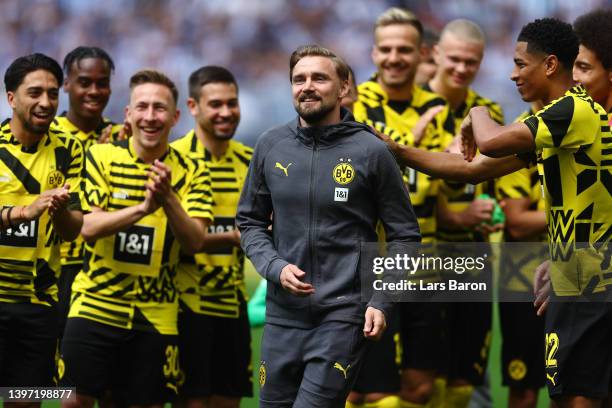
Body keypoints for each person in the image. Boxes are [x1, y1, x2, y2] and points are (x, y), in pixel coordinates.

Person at [380, 17, 610, 407]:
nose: (513, 74)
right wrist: (398, 151)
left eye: (521, 64)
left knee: (577, 399)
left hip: (593, 279)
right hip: (572, 274)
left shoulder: (574, 111)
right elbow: (473, 167)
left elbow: (486, 144)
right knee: (570, 397)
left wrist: (474, 114)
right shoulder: (552, 123)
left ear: (550, 65)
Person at [236, 44, 420, 408]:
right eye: (298, 79)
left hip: (342, 315)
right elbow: (250, 221)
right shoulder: (270, 145)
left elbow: (405, 236)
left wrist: (382, 301)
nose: (307, 86)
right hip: (282, 318)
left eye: (319, 78)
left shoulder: (372, 151)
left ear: (344, 88)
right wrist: (274, 267)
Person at [59, 69, 214, 408]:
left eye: (159, 108)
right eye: (141, 107)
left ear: (175, 117)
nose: (149, 116)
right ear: (128, 114)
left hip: (156, 313)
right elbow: (87, 227)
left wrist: (168, 199)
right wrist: (144, 208)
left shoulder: (193, 169)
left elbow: (195, 241)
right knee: (73, 400)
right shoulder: (102, 156)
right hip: (96, 303)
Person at [352, 8, 456, 408]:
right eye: (386, 49)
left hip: (427, 266)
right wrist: (413, 151)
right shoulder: (354, 106)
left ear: (421, 54)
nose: (394, 57)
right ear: (374, 54)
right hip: (370, 265)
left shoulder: (439, 109)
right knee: (367, 389)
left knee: (420, 386)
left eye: (404, 50)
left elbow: (449, 180)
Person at [424, 19, 505, 408]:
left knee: (463, 378)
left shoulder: (489, 112)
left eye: (470, 62)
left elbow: (496, 188)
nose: (461, 69)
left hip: (473, 261)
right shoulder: (415, 108)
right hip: (424, 258)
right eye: (454, 59)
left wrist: (494, 214)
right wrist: (454, 216)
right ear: (435, 54)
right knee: (422, 379)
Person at [0, 53, 84, 398]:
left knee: (24, 400)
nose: (46, 102)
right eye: (35, 93)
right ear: (11, 98)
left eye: (52, 94)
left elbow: (73, 229)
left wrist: (60, 211)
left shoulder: (70, 149)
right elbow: (25, 213)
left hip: (38, 302)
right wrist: (22, 212)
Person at [172, 65, 253, 408]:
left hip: (233, 305)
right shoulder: (172, 159)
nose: (225, 112)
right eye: (215, 104)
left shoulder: (252, 162)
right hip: (183, 305)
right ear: (193, 107)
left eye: (231, 103)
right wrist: (235, 237)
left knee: (227, 402)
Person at [51, 46, 125, 336]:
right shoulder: (48, 133)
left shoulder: (124, 137)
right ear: (66, 84)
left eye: (102, 83)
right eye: (84, 82)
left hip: (109, 269)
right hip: (57, 268)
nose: (94, 91)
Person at [495, 101, 547, 408]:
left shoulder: (593, 124)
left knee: (580, 389)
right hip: (524, 282)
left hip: (585, 274)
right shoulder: (521, 131)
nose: (515, 75)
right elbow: (516, 222)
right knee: (524, 391)